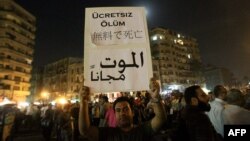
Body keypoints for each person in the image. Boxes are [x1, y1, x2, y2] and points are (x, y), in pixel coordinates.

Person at [78, 78, 167, 141]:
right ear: (114, 115)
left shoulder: (143, 130)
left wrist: (156, 98)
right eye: (118, 110)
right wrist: (83, 102)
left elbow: (161, 118)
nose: (122, 113)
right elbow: (85, 130)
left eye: (125, 109)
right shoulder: (108, 134)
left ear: (132, 112)